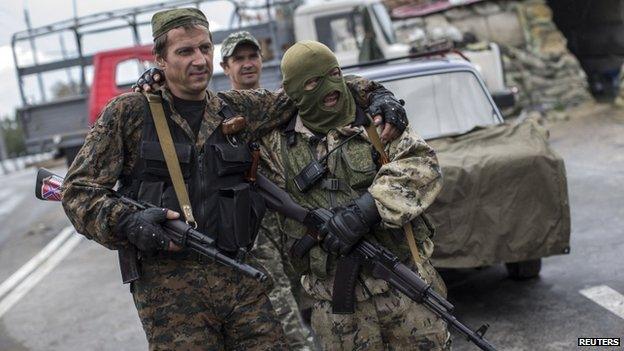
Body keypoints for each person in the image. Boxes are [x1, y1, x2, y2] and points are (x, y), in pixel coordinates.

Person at [62, 8, 407, 351]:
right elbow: (78, 191)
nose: (199, 60)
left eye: (204, 48)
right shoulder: (129, 113)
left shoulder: (237, 107)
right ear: (160, 60)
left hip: (239, 272)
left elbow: (314, 89)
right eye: (184, 51)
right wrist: (127, 221)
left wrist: (376, 94)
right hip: (169, 291)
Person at [257, 41, 452, 350]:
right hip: (335, 306)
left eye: (335, 74)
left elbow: (422, 164)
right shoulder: (276, 144)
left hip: (405, 287)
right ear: (295, 91)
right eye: (313, 82)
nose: (330, 88)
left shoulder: (378, 120)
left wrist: (367, 209)